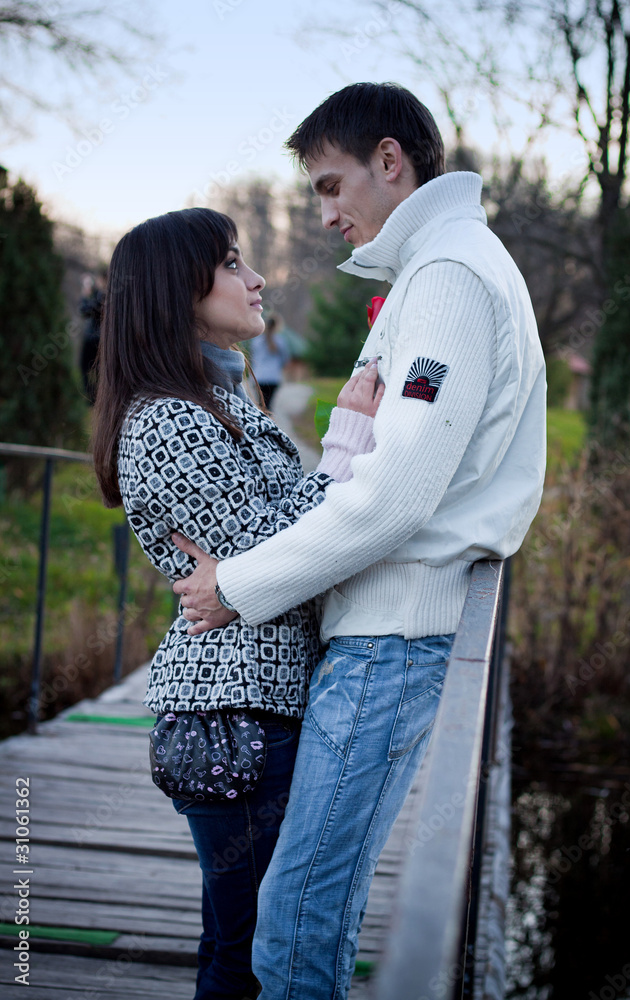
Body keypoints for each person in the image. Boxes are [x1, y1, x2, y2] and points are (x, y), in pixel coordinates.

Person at [174, 82, 548, 1000]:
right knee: (302, 907)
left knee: (297, 915)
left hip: (392, 637)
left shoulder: (449, 274)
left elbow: (394, 498)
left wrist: (237, 586)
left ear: (390, 160)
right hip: (383, 633)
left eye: (331, 186)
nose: (326, 214)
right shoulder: (437, 267)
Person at [91, 206, 383, 1000]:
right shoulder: (166, 419)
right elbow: (273, 554)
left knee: (241, 943)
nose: (255, 280)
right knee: (251, 951)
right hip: (235, 713)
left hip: (257, 705)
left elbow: (262, 548)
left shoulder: (216, 398)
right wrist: (347, 445)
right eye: (229, 264)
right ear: (175, 290)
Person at [249, 312, 290, 408]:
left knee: (260, 405)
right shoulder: (280, 341)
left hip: (259, 377)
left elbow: (253, 358)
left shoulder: (256, 341)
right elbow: (285, 360)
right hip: (273, 377)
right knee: (268, 406)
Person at [79, 267, 107, 402]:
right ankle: (96, 398)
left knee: (86, 368)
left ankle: (92, 399)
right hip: (102, 339)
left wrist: (85, 293)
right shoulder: (107, 295)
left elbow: (84, 310)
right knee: (98, 371)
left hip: (93, 339)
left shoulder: (103, 296)